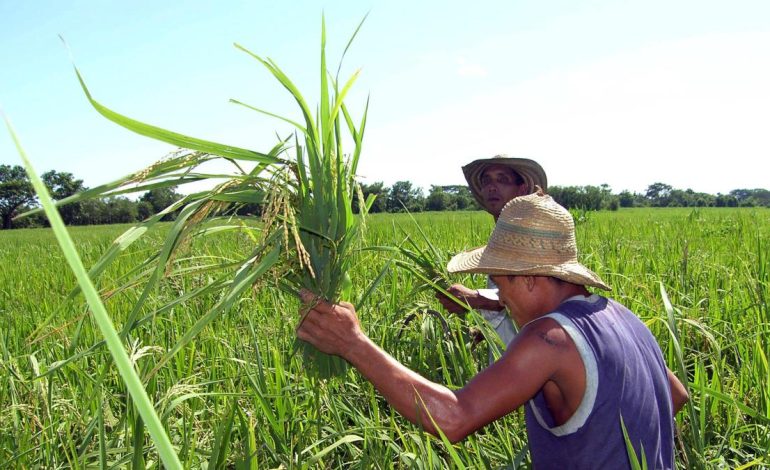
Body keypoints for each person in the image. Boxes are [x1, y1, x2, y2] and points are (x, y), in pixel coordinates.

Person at [296, 191, 689, 469]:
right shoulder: (621, 316)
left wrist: (354, 344)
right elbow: (674, 395)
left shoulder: (549, 339)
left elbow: (453, 418)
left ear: (531, 279)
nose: (500, 298)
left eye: (501, 285)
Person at [436, 155, 547, 363]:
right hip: (508, 363)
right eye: (487, 181)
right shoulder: (501, 236)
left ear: (522, 189)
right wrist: (482, 331)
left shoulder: (532, 236)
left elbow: (534, 295)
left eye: (502, 180)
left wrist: (475, 298)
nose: (492, 187)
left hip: (532, 365)